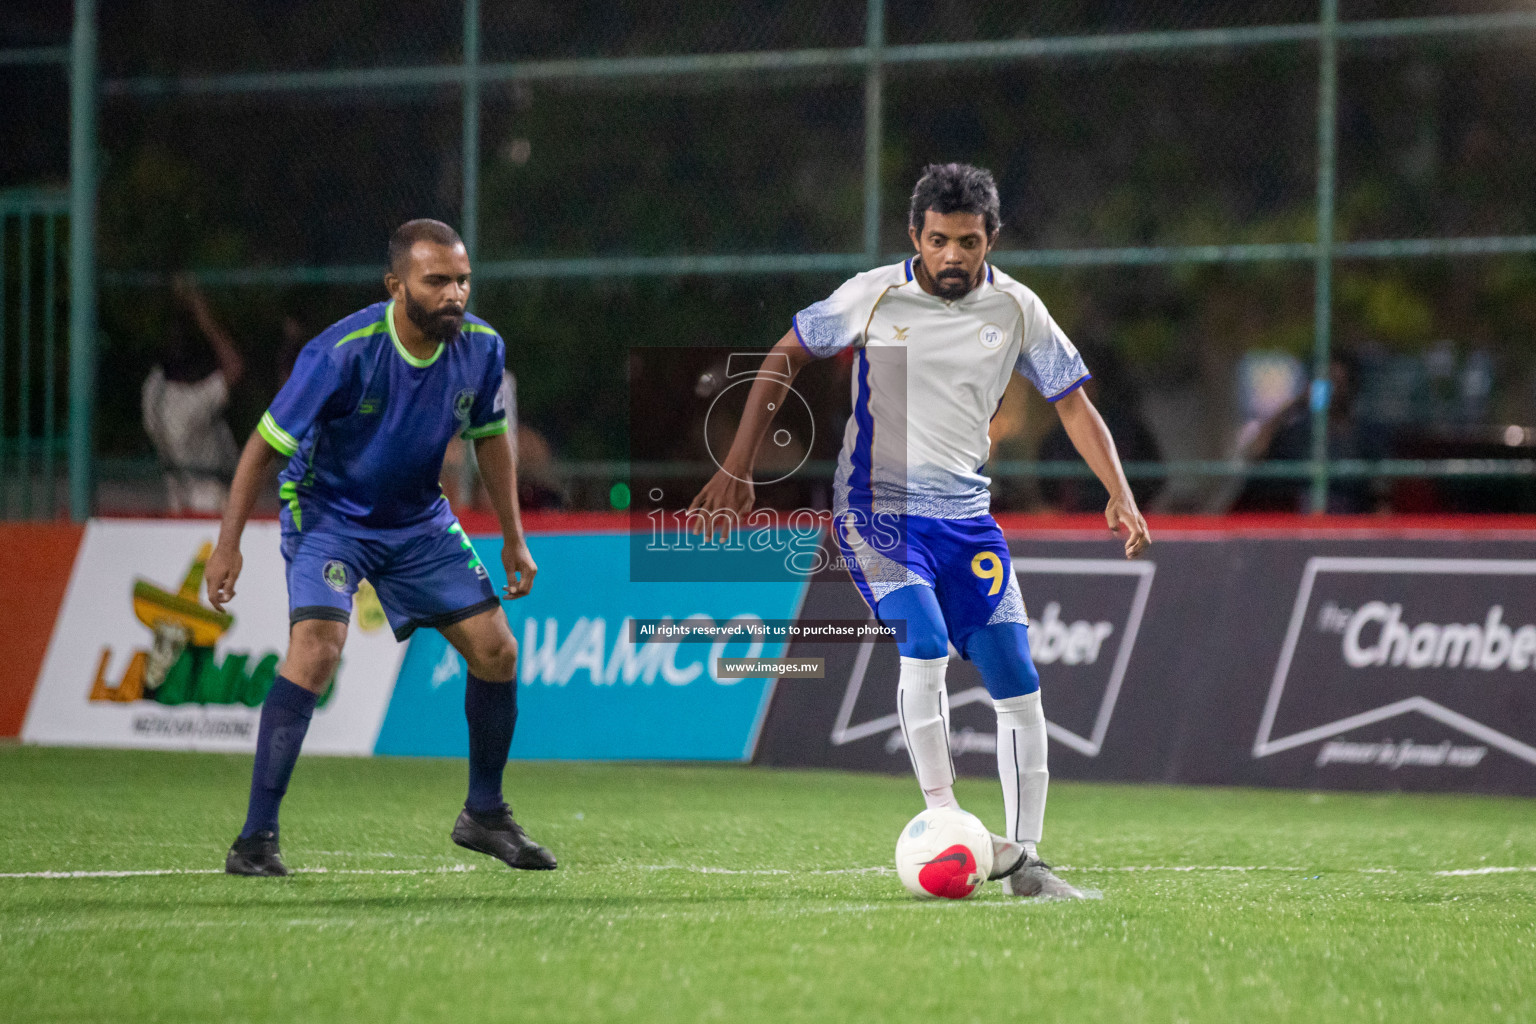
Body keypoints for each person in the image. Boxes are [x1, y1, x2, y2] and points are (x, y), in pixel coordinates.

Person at [690, 164, 1151, 900]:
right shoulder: (873, 295)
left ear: (991, 238)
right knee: (925, 639)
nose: (952, 257)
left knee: (1019, 684)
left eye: (968, 241)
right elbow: (784, 355)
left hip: (967, 521)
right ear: (915, 236)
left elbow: (1072, 402)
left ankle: (1023, 861)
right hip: (877, 510)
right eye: (938, 240)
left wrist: (1120, 492)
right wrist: (739, 466)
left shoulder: (1019, 310)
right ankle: (946, 822)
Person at [205, 219, 554, 877]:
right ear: (397, 285)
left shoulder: (481, 348)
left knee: (497, 650)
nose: (455, 294)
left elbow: (490, 440)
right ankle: (255, 838)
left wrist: (514, 537)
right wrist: (227, 547)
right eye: (438, 281)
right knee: (317, 651)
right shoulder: (341, 353)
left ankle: (484, 813)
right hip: (329, 518)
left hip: (420, 522)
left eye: (463, 280)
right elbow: (262, 447)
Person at [140, 275, 245, 514]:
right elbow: (235, 367)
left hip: (178, 502)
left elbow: (163, 360)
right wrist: (204, 317)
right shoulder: (191, 404)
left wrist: (180, 307)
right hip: (210, 505)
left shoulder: (152, 393)